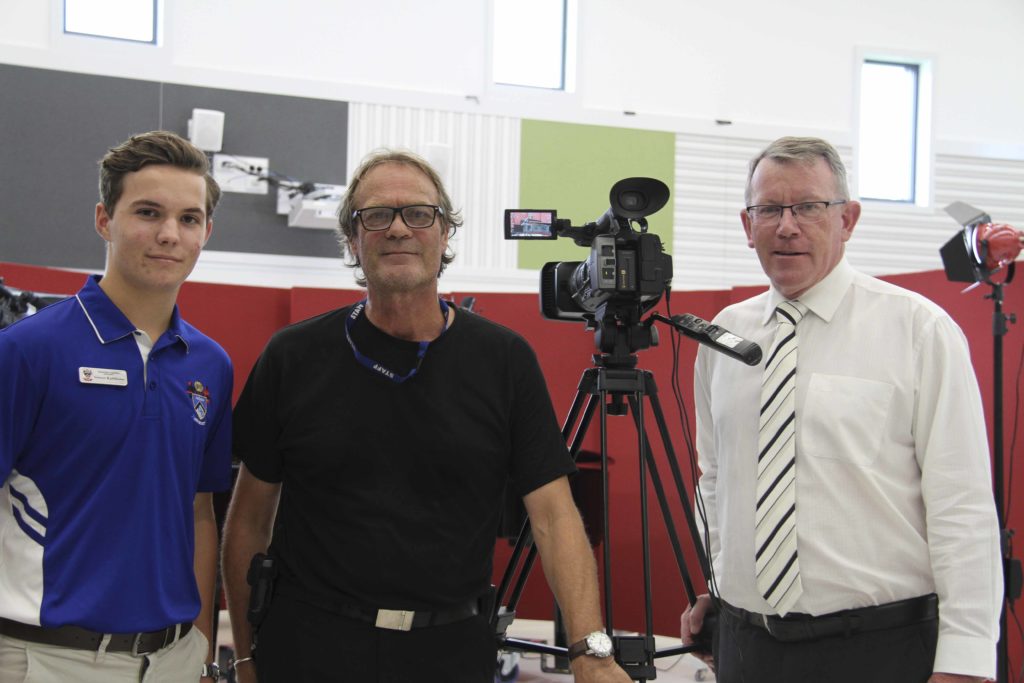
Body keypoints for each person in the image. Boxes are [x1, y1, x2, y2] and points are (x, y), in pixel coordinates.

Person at [222, 149, 632, 683]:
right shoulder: (293, 356)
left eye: (418, 214)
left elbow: (554, 516)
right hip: (308, 649)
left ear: (444, 236)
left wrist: (592, 651)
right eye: (376, 216)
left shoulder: (503, 360)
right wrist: (249, 657)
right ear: (352, 238)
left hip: (450, 653)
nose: (398, 229)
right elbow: (249, 520)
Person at [680, 136, 1002, 683]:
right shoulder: (724, 336)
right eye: (769, 209)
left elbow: (962, 505)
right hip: (745, 648)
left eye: (808, 206)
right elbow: (715, 481)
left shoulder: (919, 331)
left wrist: (966, 659)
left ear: (847, 219)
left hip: (879, 651)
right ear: (746, 223)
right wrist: (721, 586)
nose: (787, 226)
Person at [0, 131, 233, 682]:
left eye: (189, 219)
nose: (169, 235)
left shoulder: (211, 365)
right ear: (104, 220)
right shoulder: (27, 351)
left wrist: (198, 644)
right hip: (47, 658)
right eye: (148, 212)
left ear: (206, 231)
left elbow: (200, 511)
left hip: (172, 659)